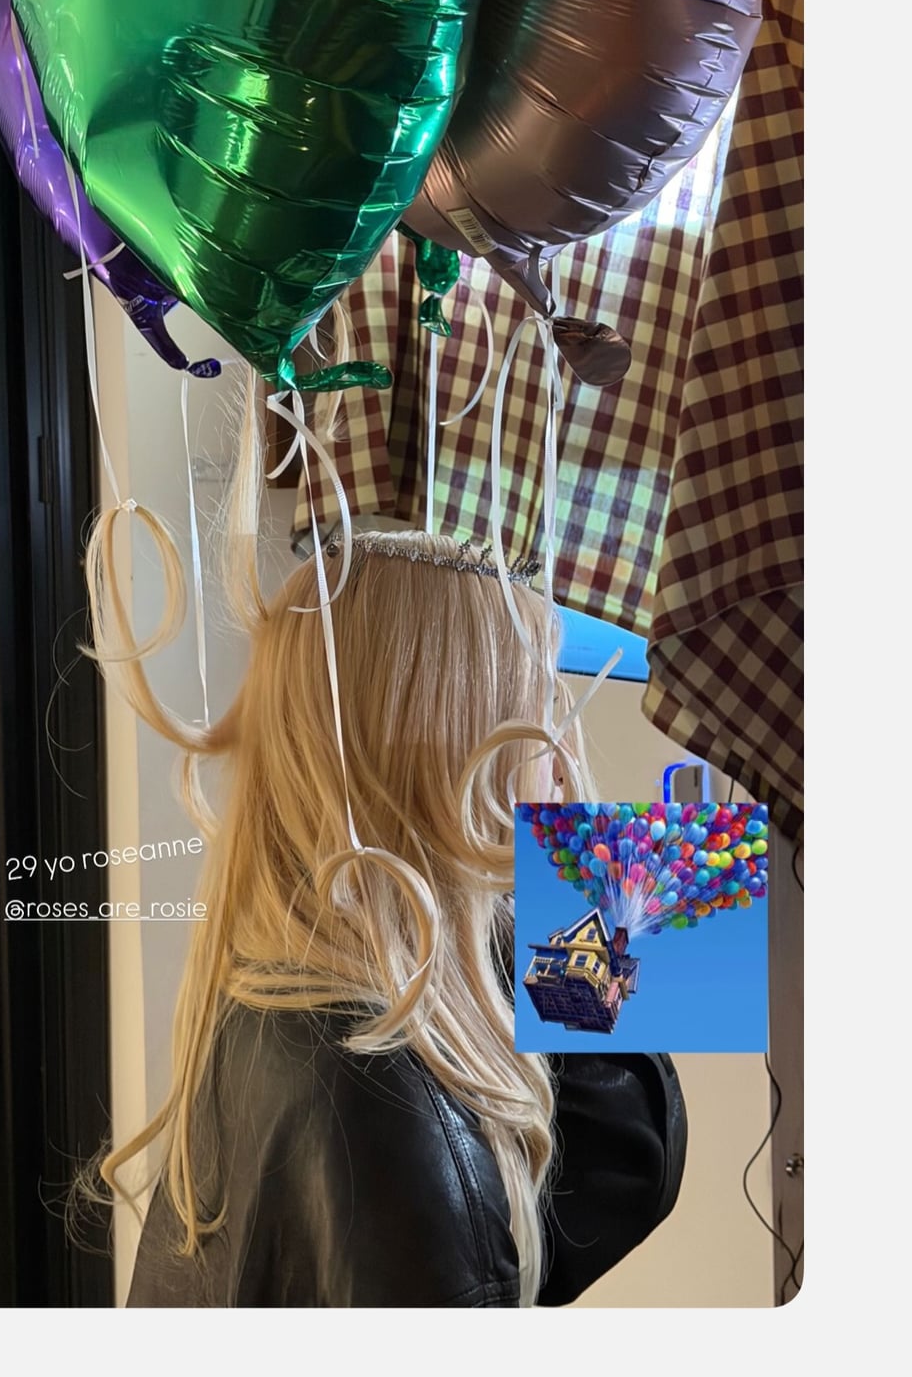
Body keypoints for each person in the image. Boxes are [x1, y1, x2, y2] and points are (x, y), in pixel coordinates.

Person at [83, 501, 686, 1308]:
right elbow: (625, 1171)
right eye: (544, 701)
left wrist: (560, 872)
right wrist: (575, 861)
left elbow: (616, 1165)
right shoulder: (390, 1115)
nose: (563, 742)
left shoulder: (269, 990)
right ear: (458, 743)